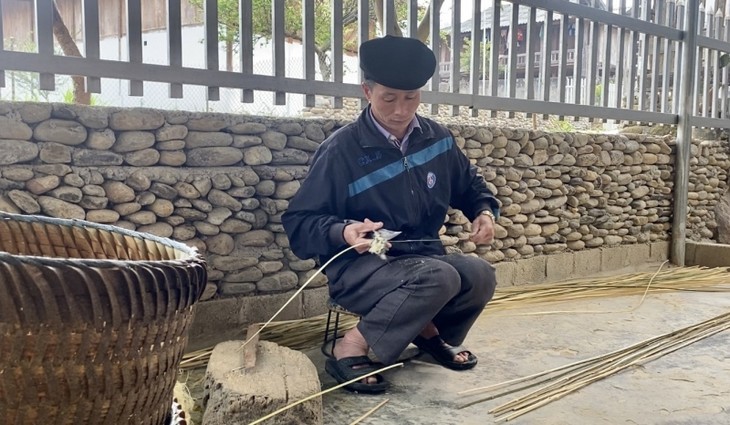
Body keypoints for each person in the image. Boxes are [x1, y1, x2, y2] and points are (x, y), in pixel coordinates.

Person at [282, 35, 499, 394]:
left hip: (425, 260)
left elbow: (471, 186)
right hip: (359, 268)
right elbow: (299, 221)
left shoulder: (437, 139)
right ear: (367, 91)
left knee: (479, 274)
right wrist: (345, 231)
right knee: (439, 277)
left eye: (411, 98)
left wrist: (483, 212)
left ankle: (425, 329)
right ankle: (350, 346)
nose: (401, 110)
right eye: (389, 98)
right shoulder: (342, 150)